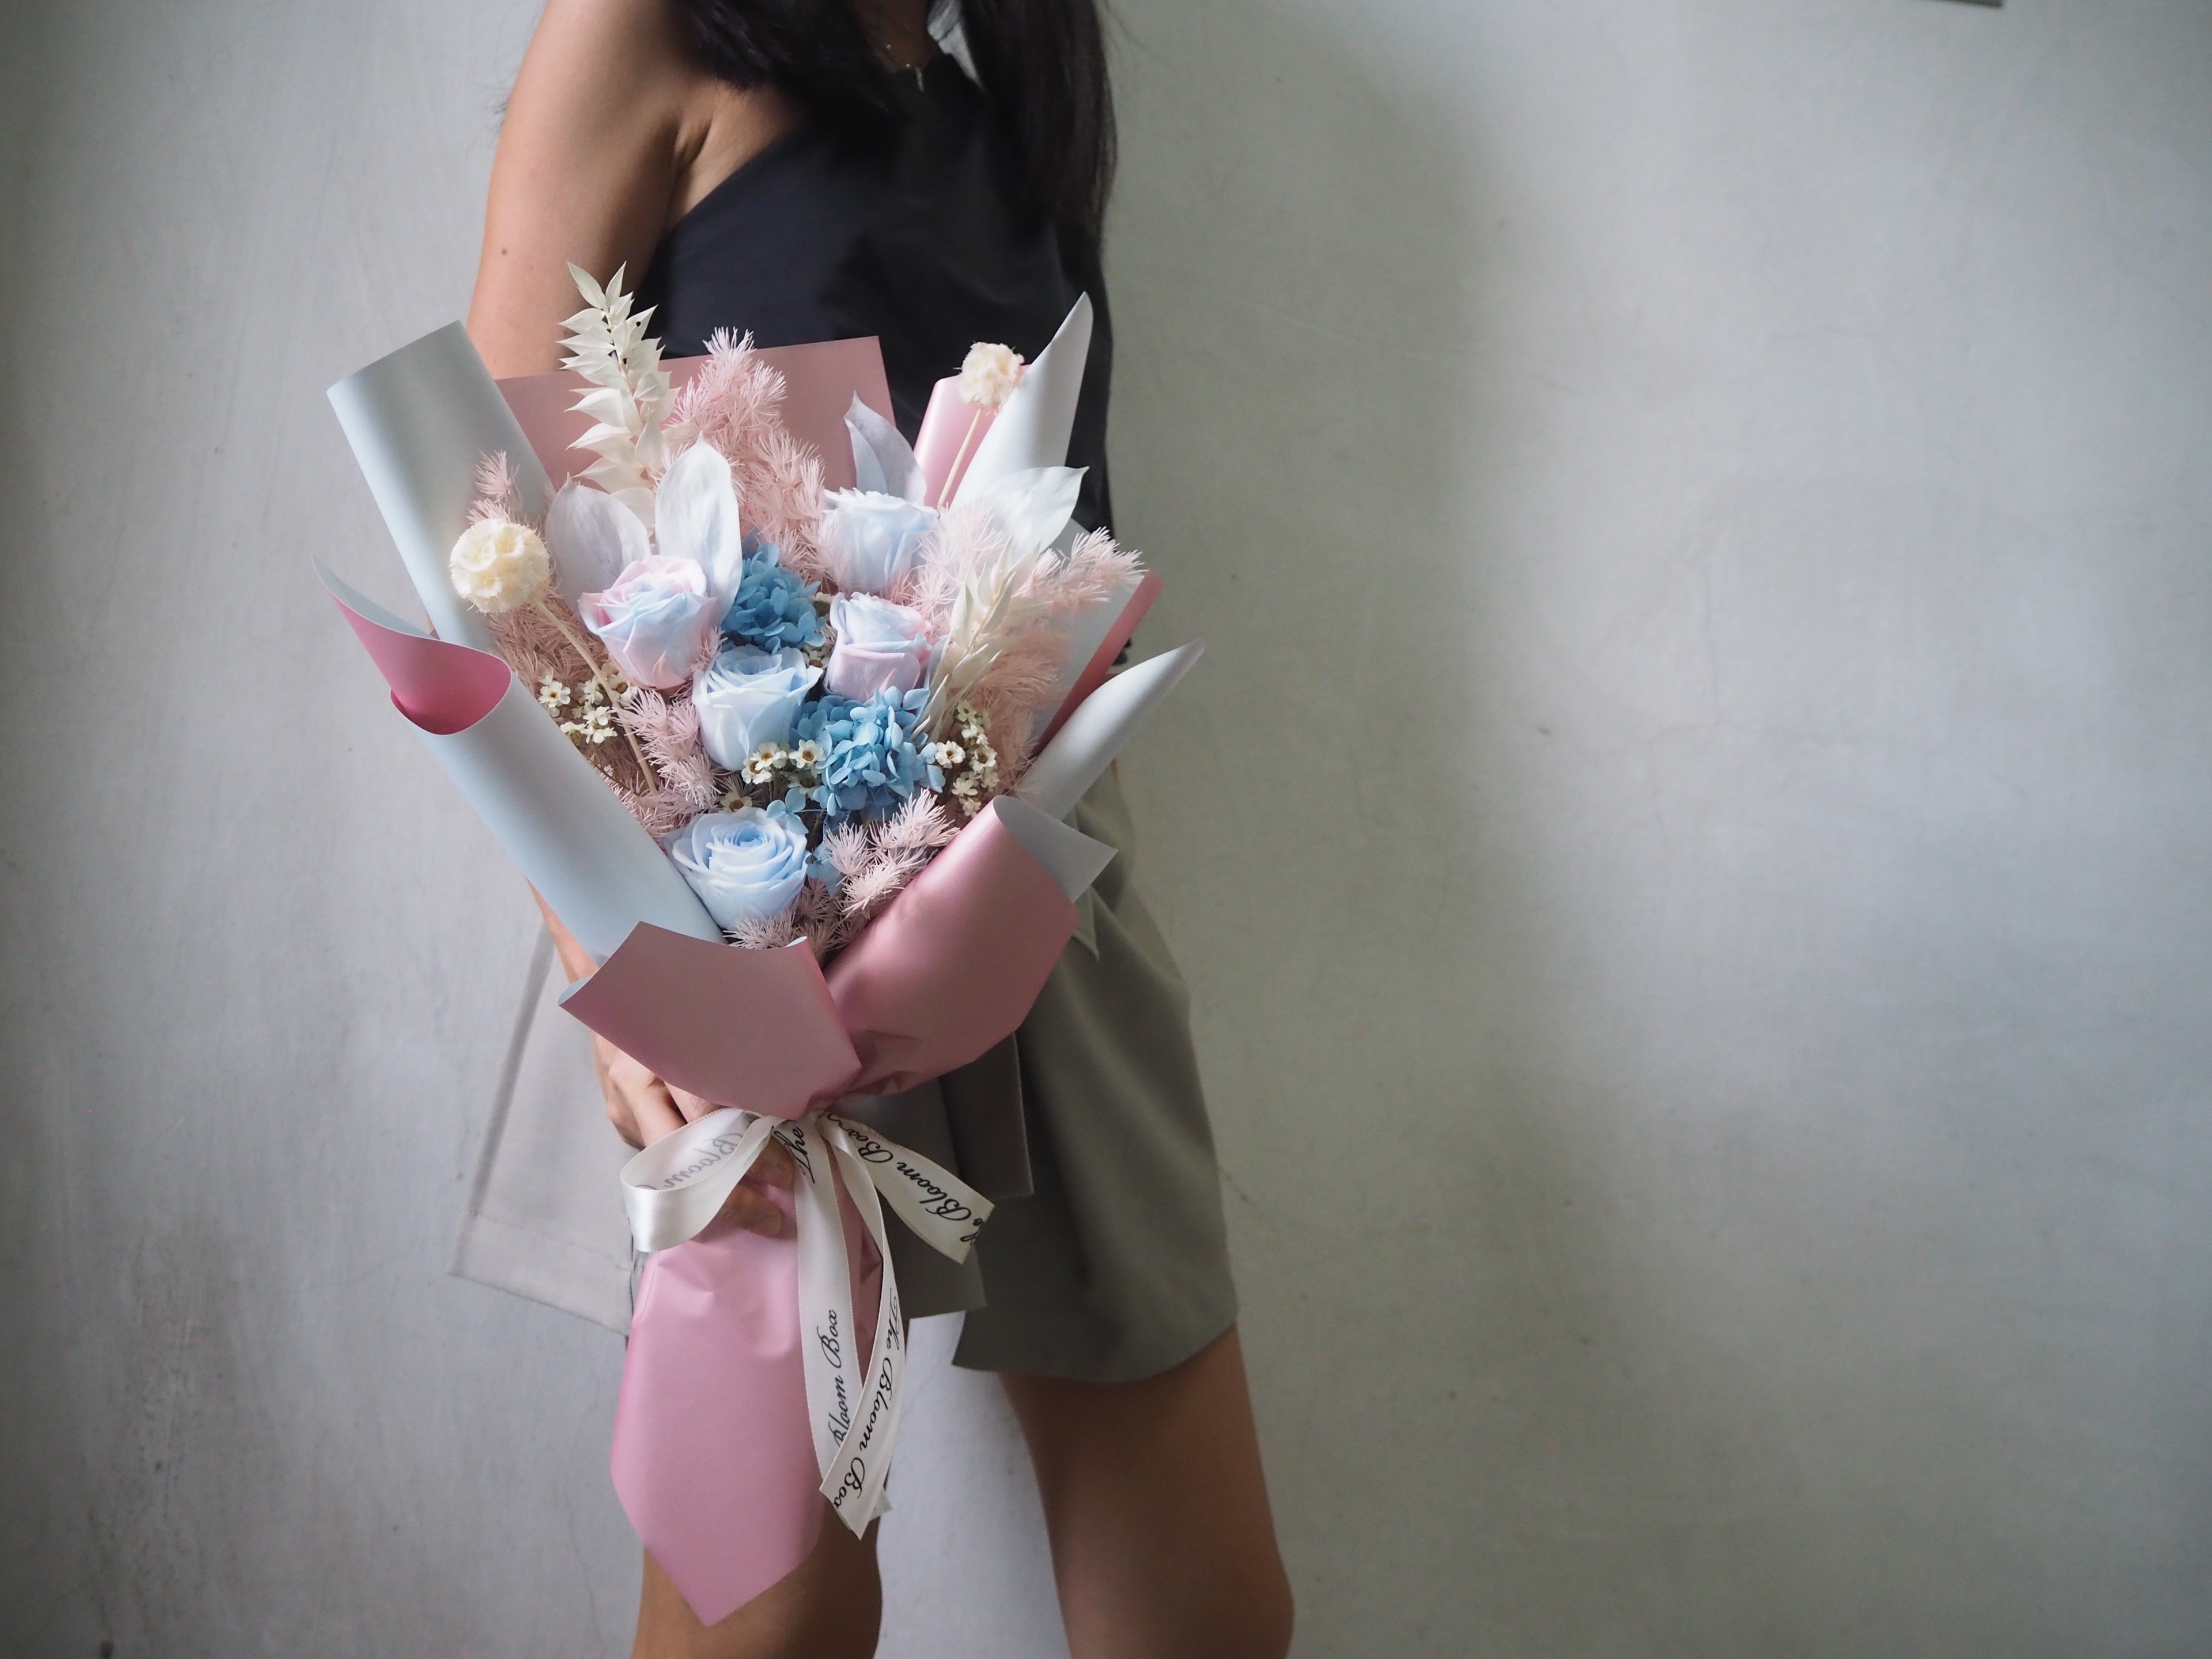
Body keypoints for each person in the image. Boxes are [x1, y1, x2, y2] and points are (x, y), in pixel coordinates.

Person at [467, 3, 1293, 1656]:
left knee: (1204, 1615)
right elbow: (474, 521)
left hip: (1045, 862)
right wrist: (609, 948)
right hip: (745, 899)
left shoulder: (997, 92)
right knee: (765, 1610)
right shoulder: (640, 27)